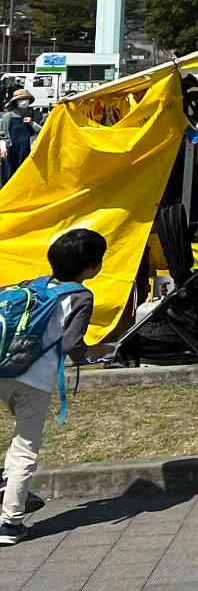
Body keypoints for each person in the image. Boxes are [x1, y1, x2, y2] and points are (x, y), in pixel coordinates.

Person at [0, 227, 104, 546]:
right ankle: (10, 522)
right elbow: (74, 344)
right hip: (34, 379)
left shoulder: (33, 284)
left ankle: (6, 488)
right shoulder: (81, 295)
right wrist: (99, 354)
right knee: (24, 446)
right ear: (90, 268)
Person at [0, 90, 36, 188]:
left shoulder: (35, 114)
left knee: (27, 177)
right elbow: (3, 135)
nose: (24, 101)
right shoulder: (8, 117)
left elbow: (43, 131)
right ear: (16, 102)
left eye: (26, 99)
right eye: (21, 99)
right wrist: (3, 148)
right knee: (10, 176)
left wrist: (32, 123)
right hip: (12, 151)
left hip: (29, 151)